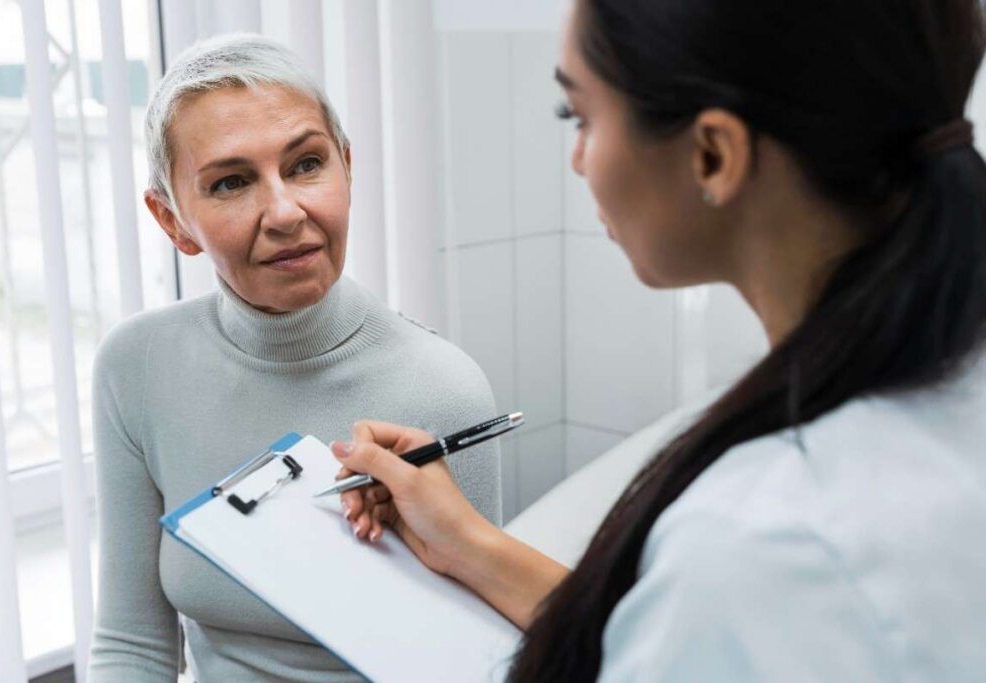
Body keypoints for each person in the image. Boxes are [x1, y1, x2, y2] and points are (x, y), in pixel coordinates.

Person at [332, 0, 986, 680]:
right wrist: (467, 543)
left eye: (578, 117)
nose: (579, 161)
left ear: (712, 154)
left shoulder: (760, 546)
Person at [88, 34, 501, 682]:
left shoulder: (441, 388)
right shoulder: (136, 367)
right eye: (230, 182)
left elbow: (473, 662)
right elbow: (131, 645)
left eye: (306, 164)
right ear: (172, 222)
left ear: (347, 165)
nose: (284, 211)